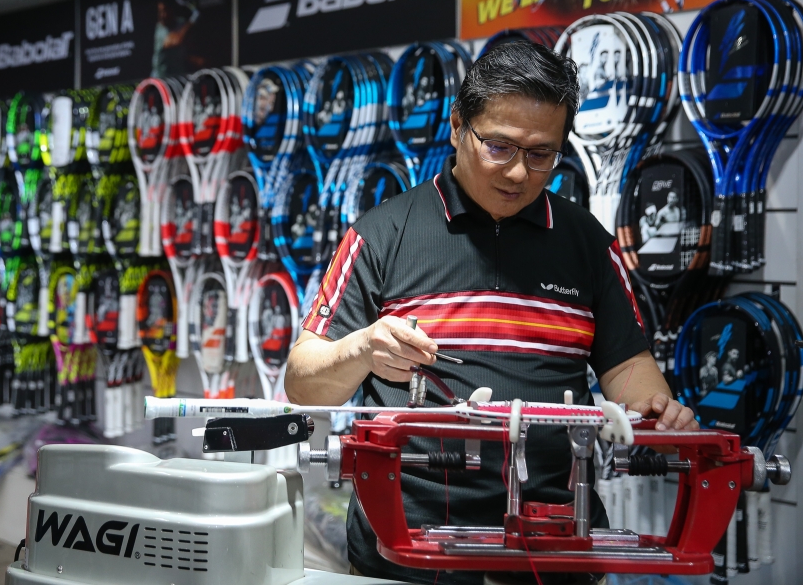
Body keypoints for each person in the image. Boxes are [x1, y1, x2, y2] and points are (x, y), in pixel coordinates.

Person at [286, 42, 697, 585]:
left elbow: (627, 368)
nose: (520, 173)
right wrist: (357, 349)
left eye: (542, 154)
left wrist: (655, 408)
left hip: (556, 546)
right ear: (458, 125)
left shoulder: (586, 243)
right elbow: (303, 383)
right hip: (407, 548)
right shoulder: (382, 233)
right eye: (499, 147)